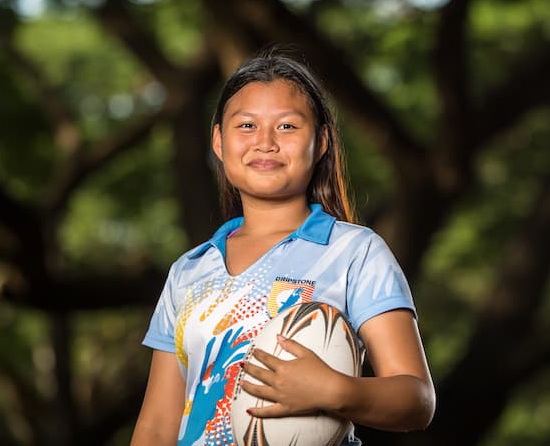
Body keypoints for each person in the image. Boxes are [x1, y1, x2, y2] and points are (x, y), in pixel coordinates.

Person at [130, 47, 435, 446]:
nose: (266, 143)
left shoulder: (354, 251)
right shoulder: (189, 270)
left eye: (288, 127)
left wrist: (335, 391)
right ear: (219, 142)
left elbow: (417, 399)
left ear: (322, 141)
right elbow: (155, 425)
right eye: (246, 126)